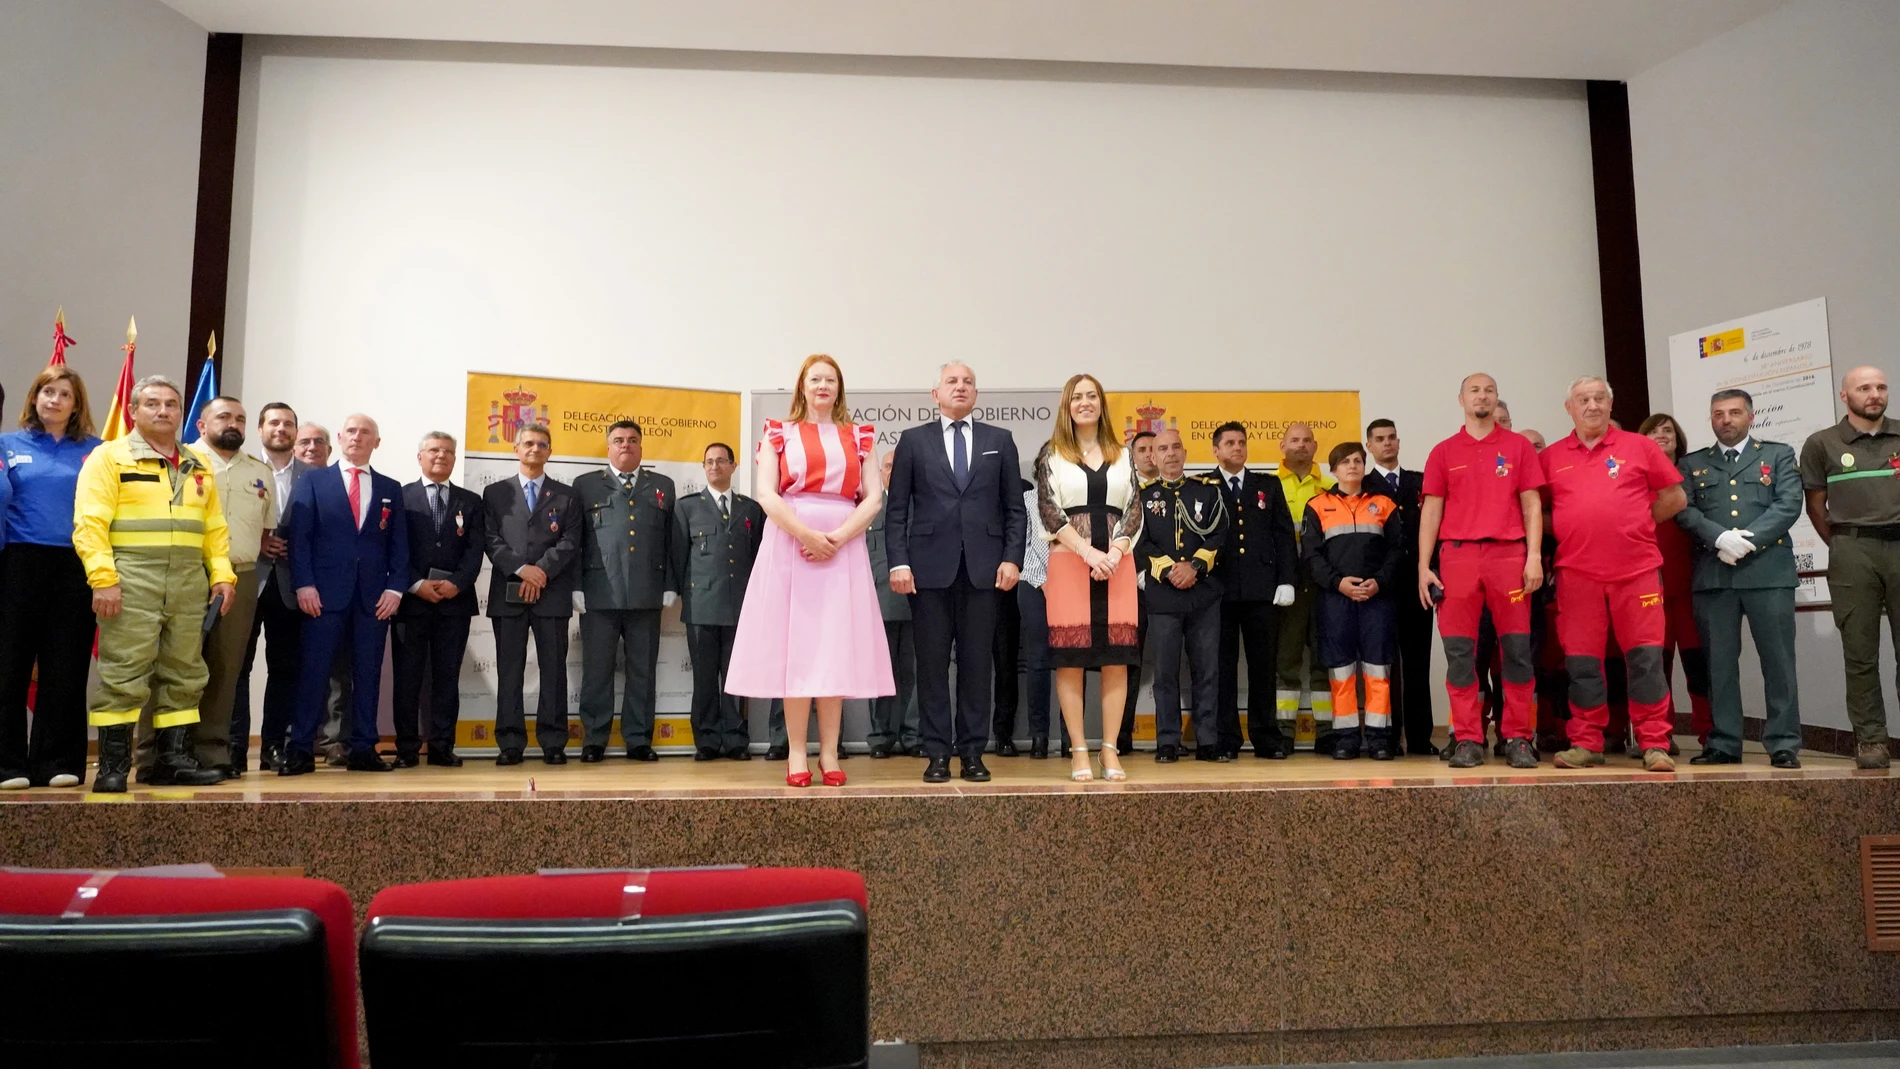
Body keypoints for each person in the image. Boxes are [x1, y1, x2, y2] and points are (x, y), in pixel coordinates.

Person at [726, 354, 894, 787]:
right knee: (796, 652)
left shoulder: (860, 437)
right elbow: (766, 494)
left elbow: (872, 499)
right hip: (791, 543)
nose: (823, 386)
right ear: (802, 386)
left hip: (843, 545)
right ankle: (797, 753)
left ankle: (832, 752)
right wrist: (806, 535)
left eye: (830, 380)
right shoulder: (777, 434)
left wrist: (835, 539)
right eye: (815, 379)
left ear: (840, 388)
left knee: (834, 649)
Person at [73, 376, 236, 792]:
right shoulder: (109, 458)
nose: (163, 411)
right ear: (133, 411)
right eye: (152, 404)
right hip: (131, 578)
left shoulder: (199, 465)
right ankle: (113, 766)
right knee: (124, 671)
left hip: (188, 581)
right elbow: (89, 524)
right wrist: (103, 579)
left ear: (182, 413)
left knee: (185, 673)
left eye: (171, 404)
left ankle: (172, 762)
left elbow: (215, 528)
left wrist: (221, 575)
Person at [886, 362, 1025, 784]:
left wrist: (1012, 558)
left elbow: (1015, 510)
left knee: (976, 666)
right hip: (928, 572)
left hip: (985, 571)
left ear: (976, 394)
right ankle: (936, 754)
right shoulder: (912, 441)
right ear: (936, 394)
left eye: (968, 382)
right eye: (952, 381)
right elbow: (896, 512)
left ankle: (972, 754)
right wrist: (899, 561)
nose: (960, 387)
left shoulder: (1000, 440)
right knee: (930, 666)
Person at [1542, 376, 1686, 772]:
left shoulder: (1639, 447)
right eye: (1583, 399)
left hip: (1637, 571)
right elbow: (1535, 511)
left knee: (1645, 659)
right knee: (1582, 663)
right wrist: (1575, 528)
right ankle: (1587, 742)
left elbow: (1675, 498)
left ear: (1611, 404)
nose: (1592, 405)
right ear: (1568, 407)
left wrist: (1635, 524)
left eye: (1599, 398)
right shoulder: (1551, 456)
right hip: (1577, 574)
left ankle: (1654, 741)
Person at [130, 396, 270, 781]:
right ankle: (151, 754)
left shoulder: (260, 471)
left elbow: (266, 530)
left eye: (241, 418)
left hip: (238, 576)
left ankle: (210, 752)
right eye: (224, 416)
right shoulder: (181, 460)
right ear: (201, 424)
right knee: (170, 665)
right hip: (185, 572)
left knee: (225, 668)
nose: (234, 424)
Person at [1418, 373, 1546, 769]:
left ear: (1497, 399)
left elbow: (1532, 506)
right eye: (1475, 390)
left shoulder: (1518, 446)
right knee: (1461, 655)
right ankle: (1468, 738)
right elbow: (1432, 511)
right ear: (1461, 399)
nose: (1482, 396)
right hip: (1457, 559)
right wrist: (1424, 566)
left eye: (1489, 390)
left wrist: (1534, 555)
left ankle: (1519, 738)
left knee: (1517, 653)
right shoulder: (1443, 451)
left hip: (1509, 556)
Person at [1677, 389, 1803, 768]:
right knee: (1718, 664)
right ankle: (1724, 742)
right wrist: (1718, 537)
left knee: (1778, 662)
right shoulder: (1692, 463)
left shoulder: (1777, 454)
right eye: (1718, 414)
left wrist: (1746, 542)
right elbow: (1684, 509)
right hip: (1715, 576)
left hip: (1768, 573)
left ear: (1751, 416)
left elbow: (1788, 504)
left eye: (1734, 412)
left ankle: (1783, 742)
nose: (1726, 420)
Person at [282, 411, 408, 776]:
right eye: (351, 431)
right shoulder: (314, 481)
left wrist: (395, 588)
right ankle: (301, 749)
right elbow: (300, 540)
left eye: (365, 432)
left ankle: (364, 748)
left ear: (376, 442)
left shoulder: (390, 488)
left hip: (373, 599)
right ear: (339, 438)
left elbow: (399, 546)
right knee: (314, 673)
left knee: (367, 676)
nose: (357, 437)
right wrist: (304, 584)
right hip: (321, 595)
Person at [1035, 373, 1141, 782]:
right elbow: (1049, 510)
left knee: (1116, 660)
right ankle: (1079, 749)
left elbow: (1134, 507)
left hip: (1118, 563)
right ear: (1067, 405)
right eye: (1076, 396)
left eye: (1091, 396)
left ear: (1101, 404)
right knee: (1071, 660)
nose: (1084, 402)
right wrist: (1088, 551)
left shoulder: (1122, 453)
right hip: (1069, 563)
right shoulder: (1052, 453)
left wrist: (1113, 552)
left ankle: (1109, 750)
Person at [0, 366, 101, 789]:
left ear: (76, 404)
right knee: (9, 664)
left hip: (75, 566)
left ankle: (58, 760)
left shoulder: (97, 452)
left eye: (64, 394)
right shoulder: (7, 445)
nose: (54, 400)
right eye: (46, 391)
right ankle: (7, 764)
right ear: (34, 397)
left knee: (67, 664)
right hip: (19, 564)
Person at [1801, 366, 1900, 768]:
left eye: (1880, 387)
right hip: (1852, 551)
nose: (1873, 394)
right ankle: (1872, 741)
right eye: (1864, 388)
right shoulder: (1821, 443)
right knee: (1860, 654)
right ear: (1845, 396)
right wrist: (1844, 544)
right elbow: (1816, 506)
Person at [482, 423, 581, 765]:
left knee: (553, 669)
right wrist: (522, 569)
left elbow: (570, 541)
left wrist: (541, 571)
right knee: (510, 670)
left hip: (551, 593)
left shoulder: (567, 495)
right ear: (515, 448)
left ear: (549, 451)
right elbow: (491, 539)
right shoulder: (495, 493)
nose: (534, 449)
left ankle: (553, 741)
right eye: (528, 443)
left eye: (541, 444)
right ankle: (510, 743)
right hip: (508, 592)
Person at [1303, 441, 1404, 759]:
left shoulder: (1384, 504)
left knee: (1378, 671)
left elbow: (1397, 551)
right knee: (1341, 672)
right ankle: (1345, 738)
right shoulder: (1317, 505)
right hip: (1336, 600)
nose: (1353, 466)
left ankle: (1379, 739)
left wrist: (1380, 582)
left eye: (1358, 461)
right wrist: (1338, 584)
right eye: (1345, 461)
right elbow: (1312, 556)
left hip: (1378, 599)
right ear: (1332, 469)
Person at [1132, 429, 1226, 762]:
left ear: (1185, 453)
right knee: (1165, 673)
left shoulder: (1207, 491)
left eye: (1175, 447)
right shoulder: (1142, 496)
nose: (1170, 454)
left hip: (1203, 594)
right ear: (1152, 457)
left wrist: (1195, 567)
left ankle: (1208, 740)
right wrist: (1172, 569)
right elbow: (1138, 541)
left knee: (1207, 671)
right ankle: (1167, 741)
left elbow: (1219, 533)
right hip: (1163, 596)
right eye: (1162, 449)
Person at [392, 431, 484, 768]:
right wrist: (416, 584)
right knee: (408, 678)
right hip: (411, 602)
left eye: (448, 451)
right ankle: (406, 748)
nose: (441, 455)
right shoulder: (400, 496)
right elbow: (395, 550)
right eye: (433, 450)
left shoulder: (470, 501)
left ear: (454, 458)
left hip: (454, 604)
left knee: (447, 678)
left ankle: (442, 745)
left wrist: (456, 584)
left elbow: (476, 551)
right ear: (420, 456)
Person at [229, 403, 310, 772]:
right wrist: (257, 540)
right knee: (237, 666)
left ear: (296, 431)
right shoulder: (240, 468)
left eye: (288, 424)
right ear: (260, 429)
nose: (281, 429)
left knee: (285, 669)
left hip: (291, 585)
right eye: (273, 423)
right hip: (245, 578)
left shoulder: (315, 476)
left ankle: (274, 746)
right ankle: (232, 749)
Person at [1209, 421, 1298, 758]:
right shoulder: (1203, 485)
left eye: (1242, 442)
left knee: (1264, 667)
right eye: (1229, 443)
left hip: (1262, 592)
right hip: (1219, 592)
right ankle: (1226, 738)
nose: (1237, 448)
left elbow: (1283, 536)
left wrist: (1287, 579)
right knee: (1222, 668)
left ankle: (1266, 736)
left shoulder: (1267, 485)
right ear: (1215, 450)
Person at [673, 441, 765, 761]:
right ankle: (708, 741)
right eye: (709, 461)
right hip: (701, 607)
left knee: (736, 678)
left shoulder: (751, 509)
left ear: (733, 466)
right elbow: (678, 556)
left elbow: (758, 559)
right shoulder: (686, 508)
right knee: (704, 678)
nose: (715, 467)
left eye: (721, 461)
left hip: (741, 608)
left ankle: (737, 740)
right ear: (703, 467)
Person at [1638, 413, 1713, 750]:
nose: (1661, 435)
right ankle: (1658, 736)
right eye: (1653, 430)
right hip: (1651, 587)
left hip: (1691, 588)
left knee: (1698, 668)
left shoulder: (1694, 475)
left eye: (1667, 430)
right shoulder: (1635, 477)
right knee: (1657, 668)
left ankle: (1709, 734)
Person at [1363, 418, 1434, 756]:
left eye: (1392, 438)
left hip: (1418, 583)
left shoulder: (1419, 482)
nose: (1387, 444)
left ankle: (1421, 738)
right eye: (1380, 439)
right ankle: (1387, 738)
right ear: (1369, 446)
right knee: (1384, 665)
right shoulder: (1362, 485)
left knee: (1419, 663)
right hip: (1382, 586)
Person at [1274, 422, 1335, 725]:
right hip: (1286, 583)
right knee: (1286, 659)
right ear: (1281, 447)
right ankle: (1283, 729)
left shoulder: (1330, 488)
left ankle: (1326, 730)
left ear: (1315, 446)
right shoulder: (1270, 487)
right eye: (1294, 440)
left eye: (1307, 440)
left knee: (1324, 660)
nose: (1301, 445)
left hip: (1322, 582)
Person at [865, 448, 923, 759]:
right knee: (879, 673)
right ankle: (880, 737)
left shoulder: (923, 505)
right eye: (888, 465)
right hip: (877, 601)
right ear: (880, 471)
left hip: (916, 600)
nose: (893, 470)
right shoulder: (869, 506)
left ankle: (914, 736)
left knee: (914, 671)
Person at [1016, 478, 1058, 758]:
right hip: (1033, 583)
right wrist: (1044, 581)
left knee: (1073, 661)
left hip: (1074, 586)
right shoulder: (1028, 500)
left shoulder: (1077, 498)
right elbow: (1023, 545)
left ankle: (1070, 739)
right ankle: (1039, 737)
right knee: (1038, 662)